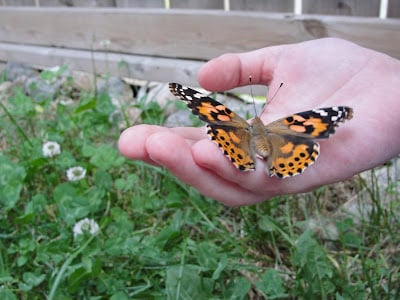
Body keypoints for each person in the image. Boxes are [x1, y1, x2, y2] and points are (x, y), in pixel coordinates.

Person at [118, 38, 400, 206]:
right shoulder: (287, 124)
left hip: (240, 141)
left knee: (218, 139)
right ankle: (274, 163)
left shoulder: (235, 121)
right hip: (282, 145)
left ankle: (248, 159)